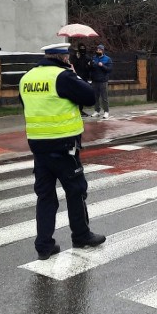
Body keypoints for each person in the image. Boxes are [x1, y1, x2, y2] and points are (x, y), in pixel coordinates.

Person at [20, 43, 106, 260]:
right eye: (67, 56)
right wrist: (75, 75)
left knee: (45, 196)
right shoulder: (63, 76)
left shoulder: (27, 77)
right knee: (76, 191)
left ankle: (44, 245)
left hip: (38, 146)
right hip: (64, 146)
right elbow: (89, 97)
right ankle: (81, 236)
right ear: (63, 57)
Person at [89, 44, 113, 119]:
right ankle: (97, 111)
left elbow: (109, 69)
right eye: (97, 50)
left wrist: (102, 65)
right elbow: (91, 69)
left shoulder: (107, 59)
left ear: (102, 51)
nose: (98, 51)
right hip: (95, 80)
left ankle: (106, 111)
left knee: (104, 97)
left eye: (100, 50)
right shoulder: (93, 58)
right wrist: (90, 65)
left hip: (103, 81)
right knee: (95, 97)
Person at [70, 43, 92, 117]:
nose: (82, 49)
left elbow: (89, 68)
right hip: (76, 78)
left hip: (84, 78)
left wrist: (89, 66)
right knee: (75, 94)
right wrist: (77, 58)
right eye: (81, 48)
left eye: (83, 48)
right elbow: (72, 65)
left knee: (82, 95)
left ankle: (80, 109)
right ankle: (75, 109)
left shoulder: (87, 57)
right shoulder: (74, 56)